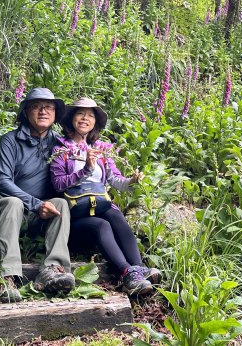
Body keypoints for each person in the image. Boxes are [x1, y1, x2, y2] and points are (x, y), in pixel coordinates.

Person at [50, 97, 161, 296]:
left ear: (95, 123)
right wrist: (84, 170)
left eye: (90, 116)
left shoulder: (101, 150)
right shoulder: (61, 149)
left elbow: (116, 180)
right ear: (71, 119)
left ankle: (138, 269)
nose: (85, 119)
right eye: (80, 114)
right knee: (102, 224)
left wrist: (132, 181)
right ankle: (127, 274)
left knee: (115, 214)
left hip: (99, 207)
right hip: (75, 217)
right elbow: (57, 185)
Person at [0, 88, 76, 303]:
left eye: (48, 107)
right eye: (36, 107)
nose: (43, 111)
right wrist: (36, 204)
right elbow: (3, 181)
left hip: (41, 217)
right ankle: (5, 277)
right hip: (9, 213)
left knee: (61, 204)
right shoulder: (10, 141)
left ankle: (53, 270)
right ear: (26, 112)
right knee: (13, 202)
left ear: (55, 114)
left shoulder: (60, 144)